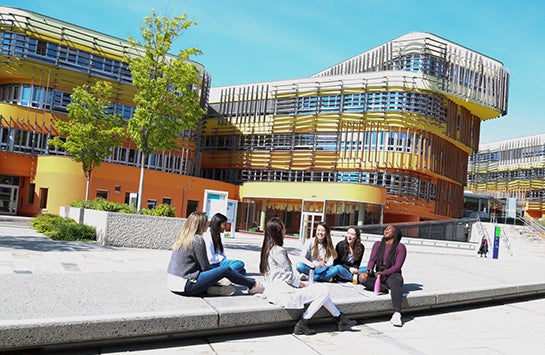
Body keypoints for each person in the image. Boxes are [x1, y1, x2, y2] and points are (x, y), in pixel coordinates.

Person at [259, 217, 357, 335]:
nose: (285, 230)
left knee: (321, 290)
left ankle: (340, 319)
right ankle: (304, 321)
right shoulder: (279, 250)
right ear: (279, 231)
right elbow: (288, 276)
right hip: (284, 293)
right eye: (284, 228)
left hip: (274, 291)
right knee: (324, 291)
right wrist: (299, 283)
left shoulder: (267, 249)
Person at [167, 211, 264, 297]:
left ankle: (211, 288)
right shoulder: (197, 240)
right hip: (187, 285)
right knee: (226, 270)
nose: (208, 224)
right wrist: (219, 275)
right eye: (206, 222)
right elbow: (205, 267)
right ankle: (253, 284)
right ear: (201, 224)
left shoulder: (183, 237)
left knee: (240, 272)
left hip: (173, 284)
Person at [358, 224, 407, 327]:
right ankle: (385, 289)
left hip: (392, 274)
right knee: (362, 277)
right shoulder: (377, 244)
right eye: (385, 228)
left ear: (396, 232)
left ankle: (397, 313)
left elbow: (397, 266)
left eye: (389, 229)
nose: (386, 230)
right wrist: (369, 269)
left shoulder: (400, 247)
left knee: (396, 282)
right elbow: (372, 260)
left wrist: (383, 273)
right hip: (378, 274)